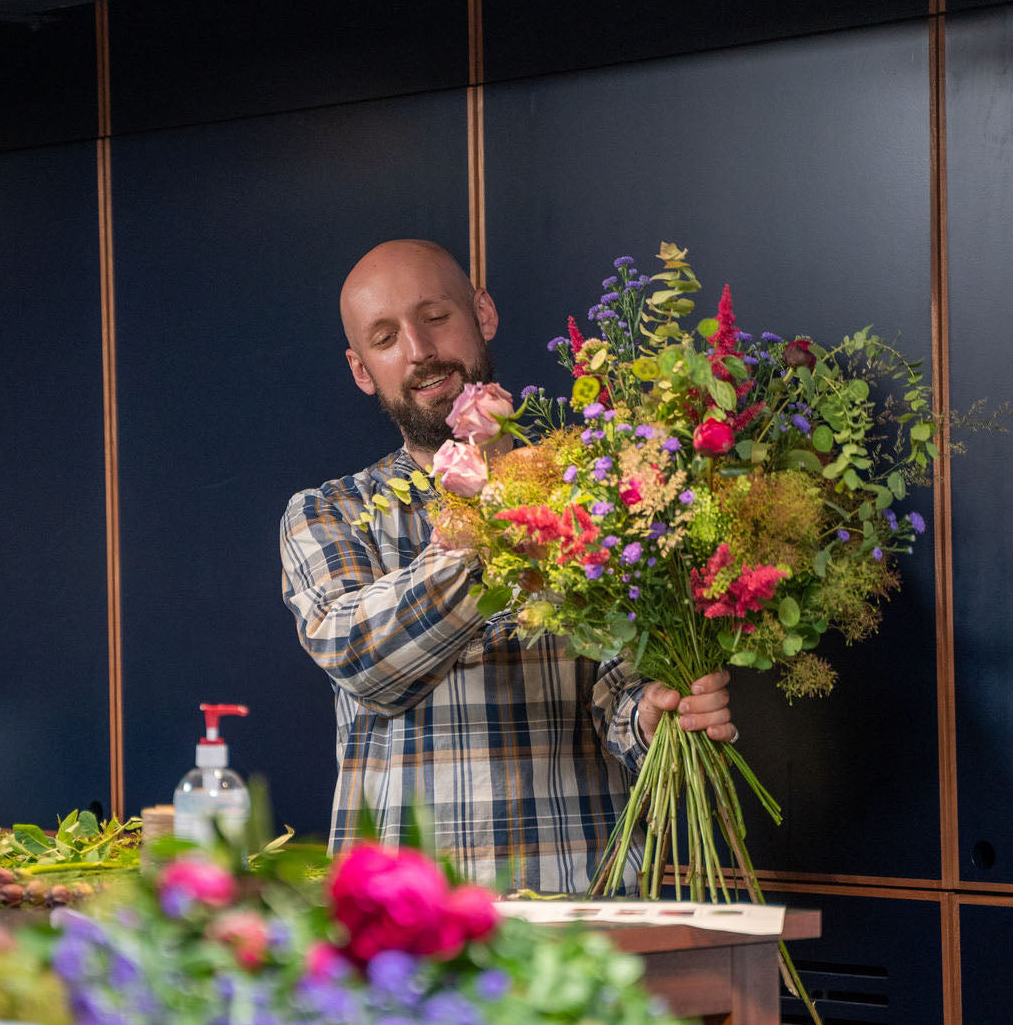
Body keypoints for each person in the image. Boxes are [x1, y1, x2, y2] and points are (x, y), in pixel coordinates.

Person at [279, 239, 734, 891]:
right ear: (361, 369)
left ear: (483, 314)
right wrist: (501, 531)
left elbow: (621, 694)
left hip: (583, 901)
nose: (418, 349)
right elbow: (364, 662)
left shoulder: (597, 492)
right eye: (385, 338)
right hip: (405, 922)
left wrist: (656, 715)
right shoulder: (329, 512)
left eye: (436, 316)